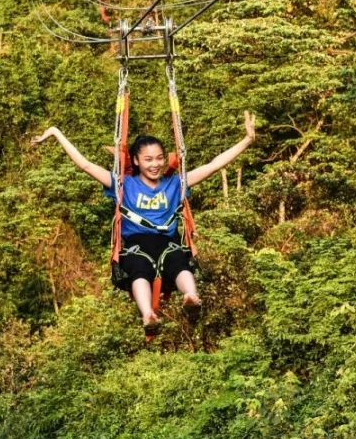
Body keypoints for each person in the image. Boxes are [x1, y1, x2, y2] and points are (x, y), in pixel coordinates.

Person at [32, 111, 255, 333]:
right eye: (148, 160)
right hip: (135, 244)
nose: (155, 164)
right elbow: (86, 166)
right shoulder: (123, 184)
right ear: (136, 161)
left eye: (159, 158)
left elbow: (213, 166)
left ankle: (191, 296)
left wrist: (246, 140)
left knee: (178, 262)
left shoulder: (175, 183)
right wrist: (55, 132)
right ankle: (148, 314)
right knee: (139, 269)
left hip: (167, 242)